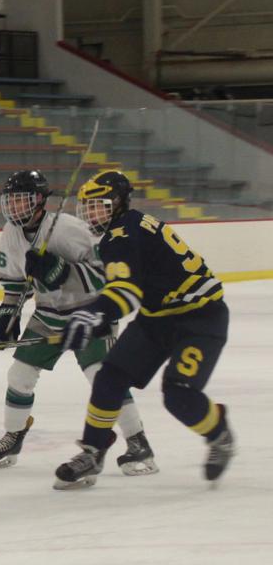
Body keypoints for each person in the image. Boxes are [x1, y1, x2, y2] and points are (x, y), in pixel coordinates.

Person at [55, 171, 234, 489]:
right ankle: (93, 451)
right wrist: (99, 314)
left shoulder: (122, 235)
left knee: (178, 394)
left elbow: (126, 291)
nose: (91, 214)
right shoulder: (128, 226)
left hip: (200, 318)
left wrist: (94, 313)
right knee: (110, 376)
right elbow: (130, 286)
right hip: (158, 317)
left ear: (119, 203)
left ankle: (219, 433)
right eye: (88, 207)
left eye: (98, 205)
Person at [0, 170, 155, 474]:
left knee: (102, 378)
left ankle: (137, 441)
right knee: (19, 375)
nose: (13, 207)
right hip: (48, 314)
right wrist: (7, 314)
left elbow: (106, 274)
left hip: (90, 312)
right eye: (10, 201)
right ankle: (14, 434)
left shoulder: (67, 229)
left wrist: (61, 271)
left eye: (20, 200)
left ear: (39, 200)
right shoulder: (10, 233)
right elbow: (15, 284)